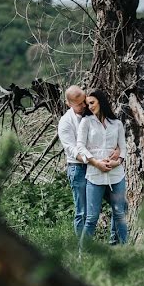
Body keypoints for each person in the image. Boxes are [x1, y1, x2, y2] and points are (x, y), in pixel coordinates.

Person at [57, 85, 119, 239]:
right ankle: (84, 253)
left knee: (119, 205)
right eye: (79, 104)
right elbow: (74, 151)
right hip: (79, 169)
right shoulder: (66, 122)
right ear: (68, 104)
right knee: (84, 212)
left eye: (85, 101)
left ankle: (115, 244)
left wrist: (116, 151)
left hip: (99, 165)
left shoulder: (95, 114)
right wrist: (95, 162)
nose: (84, 105)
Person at [76, 89, 128, 247]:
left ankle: (127, 250)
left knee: (119, 213)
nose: (89, 106)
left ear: (101, 101)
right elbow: (80, 146)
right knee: (91, 218)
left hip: (116, 175)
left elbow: (123, 148)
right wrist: (95, 162)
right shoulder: (86, 122)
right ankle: (82, 255)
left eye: (92, 102)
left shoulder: (116, 123)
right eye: (87, 104)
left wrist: (117, 161)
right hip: (94, 175)